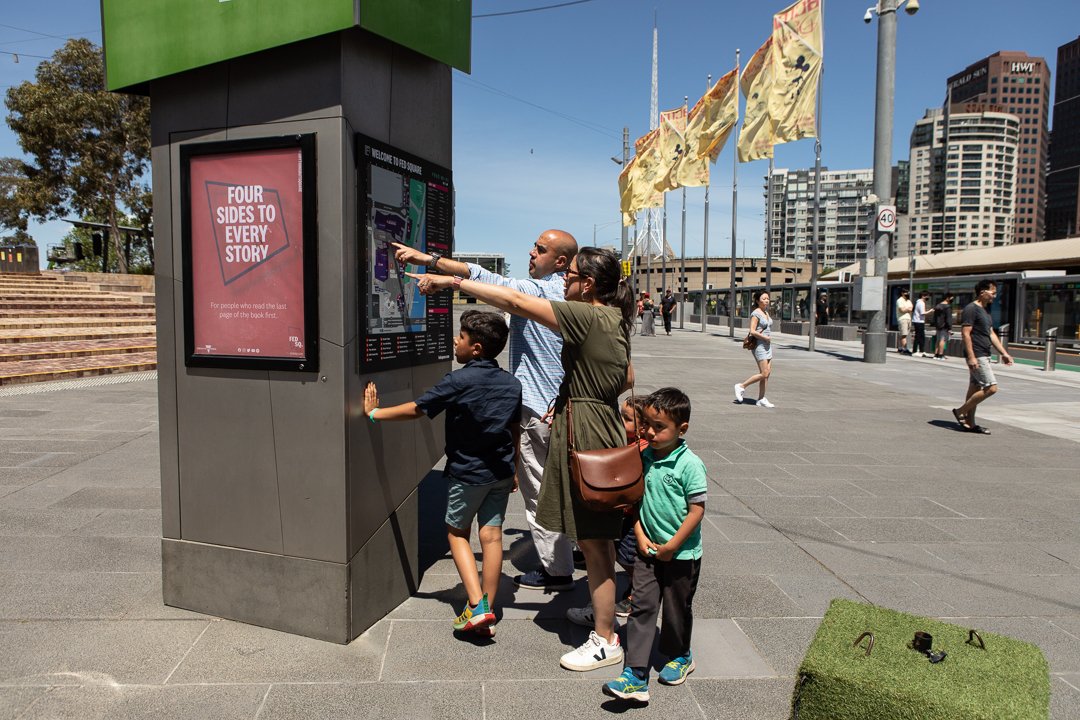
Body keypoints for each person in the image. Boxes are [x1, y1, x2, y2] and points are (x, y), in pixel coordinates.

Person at [409, 246, 636, 672]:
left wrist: (451, 282)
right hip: (592, 416)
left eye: (569, 275)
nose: (563, 282)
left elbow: (514, 302)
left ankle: (605, 639)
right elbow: (627, 377)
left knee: (594, 541)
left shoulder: (586, 314)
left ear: (587, 285)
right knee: (594, 536)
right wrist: (578, 394)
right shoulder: (613, 318)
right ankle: (601, 610)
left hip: (586, 429)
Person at [392, 232, 578, 592]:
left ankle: (557, 569)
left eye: (540, 249)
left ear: (560, 262)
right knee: (566, 485)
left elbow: (487, 279)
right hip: (562, 408)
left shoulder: (539, 292)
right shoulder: (569, 296)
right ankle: (577, 546)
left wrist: (432, 263)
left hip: (538, 409)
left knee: (539, 490)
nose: (531, 251)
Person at [363, 310, 521, 637]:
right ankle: (488, 607)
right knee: (492, 536)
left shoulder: (459, 380)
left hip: (468, 473)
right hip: (501, 470)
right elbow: (514, 428)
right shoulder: (511, 382)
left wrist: (376, 413)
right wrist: (515, 467)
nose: (455, 341)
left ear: (475, 348)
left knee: (457, 533)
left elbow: (417, 409)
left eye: (460, 337)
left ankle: (476, 604)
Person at [603, 387, 706, 703]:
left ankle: (680, 655)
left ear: (681, 429)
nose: (649, 431)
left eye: (659, 427)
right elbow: (634, 502)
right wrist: (642, 535)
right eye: (646, 424)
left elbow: (697, 509)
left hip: (681, 554)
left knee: (676, 610)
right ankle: (635, 674)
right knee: (642, 607)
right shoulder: (642, 457)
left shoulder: (689, 464)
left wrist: (673, 545)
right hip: (647, 550)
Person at [567, 395, 649, 628]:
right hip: (621, 512)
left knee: (629, 556)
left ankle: (638, 594)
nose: (620, 421)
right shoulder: (622, 440)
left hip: (635, 515)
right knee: (620, 552)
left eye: (627, 418)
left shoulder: (641, 448)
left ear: (643, 426)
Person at [952, 280, 1013, 435]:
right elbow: (965, 333)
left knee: (975, 388)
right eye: (992, 292)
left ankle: (970, 423)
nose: (995, 295)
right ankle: (960, 411)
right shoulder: (971, 309)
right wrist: (971, 357)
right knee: (991, 387)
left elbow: (991, 333)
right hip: (977, 354)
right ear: (982, 292)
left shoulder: (985, 310)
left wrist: (1004, 353)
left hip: (984, 353)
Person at [733, 290, 776, 408]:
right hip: (759, 346)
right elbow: (752, 331)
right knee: (764, 373)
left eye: (767, 298)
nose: (766, 300)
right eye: (763, 299)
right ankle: (741, 386)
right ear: (757, 301)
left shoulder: (766, 312)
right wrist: (765, 337)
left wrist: (767, 340)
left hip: (767, 345)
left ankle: (761, 399)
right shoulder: (756, 313)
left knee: (767, 374)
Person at [933, 293, 954, 359]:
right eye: (951, 298)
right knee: (943, 340)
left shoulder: (938, 305)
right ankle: (940, 355)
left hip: (938, 325)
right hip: (944, 325)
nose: (952, 300)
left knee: (938, 340)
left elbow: (934, 317)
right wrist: (950, 327)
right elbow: (949, 318)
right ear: (947, 298)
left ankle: (936, 354)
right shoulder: (947, 307)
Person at [896, 289, 913, 355]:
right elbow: (901, 310)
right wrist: (907, 309)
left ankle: (900, 348)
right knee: (904, 334)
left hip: (908, 318)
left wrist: (907, 309)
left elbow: (911, 308)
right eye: (906, 292)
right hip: (902, 319)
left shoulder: (908, 300)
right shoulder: (899, 300)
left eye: (908, 292)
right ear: (902, 293)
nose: (907, 293)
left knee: (904, 334)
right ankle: (905, 349)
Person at [913, 290, 930, 357]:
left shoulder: (918, 302)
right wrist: (930, 311)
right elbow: (922, 313)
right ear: (923, 296)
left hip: (918, 321)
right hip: (919, 321)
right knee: (918, 336)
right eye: (927, 296)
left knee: (921, 336)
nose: (928, 297)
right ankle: (915, 351)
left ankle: (921, 350)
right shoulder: (921, 303)